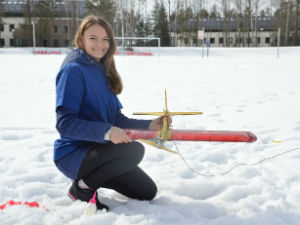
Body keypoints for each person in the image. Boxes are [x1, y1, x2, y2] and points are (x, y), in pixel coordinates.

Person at [54, 15, 171, 211]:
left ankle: (91, 180)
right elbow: (65, 124)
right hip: (75, 154)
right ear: (81, 38)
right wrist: (107, 132)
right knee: (133, 150)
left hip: (102, 153)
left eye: (105, 39)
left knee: (146, 191)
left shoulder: (102, 70)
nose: (100, 44)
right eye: (93, 38)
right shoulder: (73, 71)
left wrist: (150, 125)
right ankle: (82, 188)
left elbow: (117, 119)